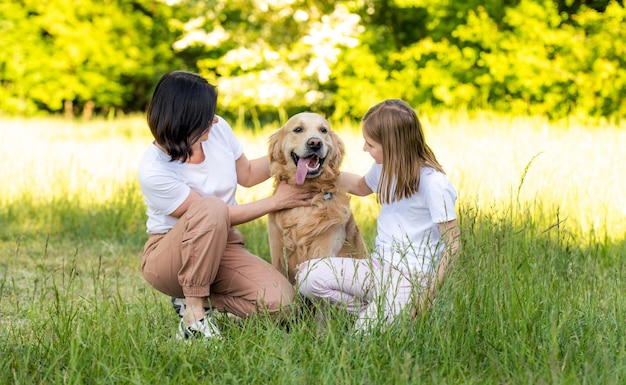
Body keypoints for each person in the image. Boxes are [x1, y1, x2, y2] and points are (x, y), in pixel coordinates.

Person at [138, 70, 313, 341]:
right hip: (170, 257)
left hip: (222, 248)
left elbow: (247, 174)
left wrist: (293, 148)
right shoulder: (154, 169)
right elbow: (218, 216)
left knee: (283, 304)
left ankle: (201, 301)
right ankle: (194, 317)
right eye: (207, 116)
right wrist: (276, 202)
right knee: (212, 207)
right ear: (185, 118)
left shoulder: (218, 130)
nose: (215, 119)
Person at [295, 99, 461, 332]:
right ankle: (377, 312)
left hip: (412, 280)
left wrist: (426, 297)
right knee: (307, 277)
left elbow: (453, 245)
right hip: (377, 269)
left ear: (393, 146)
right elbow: (361, 186)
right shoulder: (385, 168)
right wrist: (318, 171)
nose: (365, 148)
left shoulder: (434, 185)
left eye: (370, 144)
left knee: (361, 341)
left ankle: (386, 315)